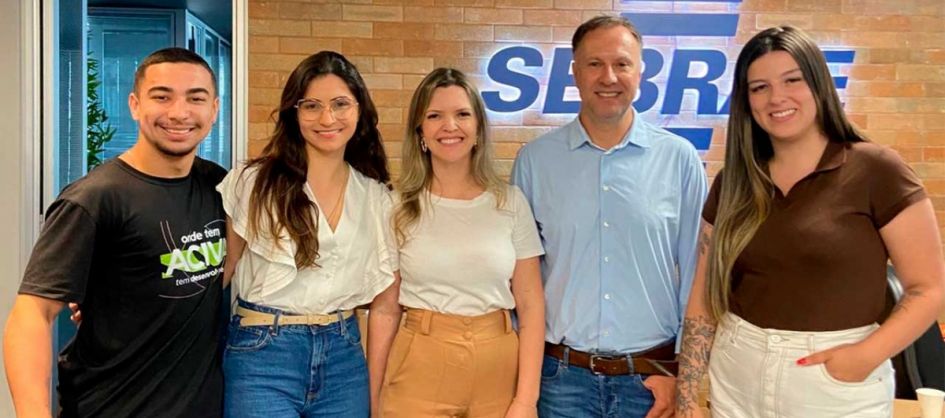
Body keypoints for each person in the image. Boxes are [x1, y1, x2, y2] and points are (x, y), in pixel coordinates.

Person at [674, 26, 945, 418]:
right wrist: (686, 397)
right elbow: (703, 296)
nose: (776, 98)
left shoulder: (877, 170)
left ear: (818, 84)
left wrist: (865, 356)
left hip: (832, 381)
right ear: (746, 101)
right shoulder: (734, 180)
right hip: (737, 369)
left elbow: (928, 288)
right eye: (759, 87)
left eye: (792, 80)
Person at [3, 47, 225, 417]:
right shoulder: (95, 199)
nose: (179, 112)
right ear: (135, 105)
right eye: (162, 96)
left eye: (195, 98)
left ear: (214, 110)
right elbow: (31, 314)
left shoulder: (219, 186)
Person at [511, 16, 707, 418]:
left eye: (622, 64)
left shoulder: (679, 159)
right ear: (575, 73)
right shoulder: (535, 162)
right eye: (594, 64)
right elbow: (520, 282)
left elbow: (698, 276)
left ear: (641, 71)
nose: (609, 77)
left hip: (651, 382)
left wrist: (682, 376)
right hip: (559, 382)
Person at [217, 50, 401, 418]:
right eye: (312, 106)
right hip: (262, 353)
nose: (327, 118)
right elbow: (220, 273)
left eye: (340, 104)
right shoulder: (252, 182)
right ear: (294, 113)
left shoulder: (378, 197)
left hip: (344, 355)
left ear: (360, 110)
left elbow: (386, 304)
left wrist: (375, 390)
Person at [379, 68, 545, 418]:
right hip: (419, 365)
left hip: (498, 367)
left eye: (462, 114)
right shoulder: (396, 206)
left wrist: (526, 400)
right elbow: (385, 309)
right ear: (420, 131)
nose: (449, 126)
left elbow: (530, 305)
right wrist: (373, 400)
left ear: (479, 129)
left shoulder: (511, 202)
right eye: (435, 116)